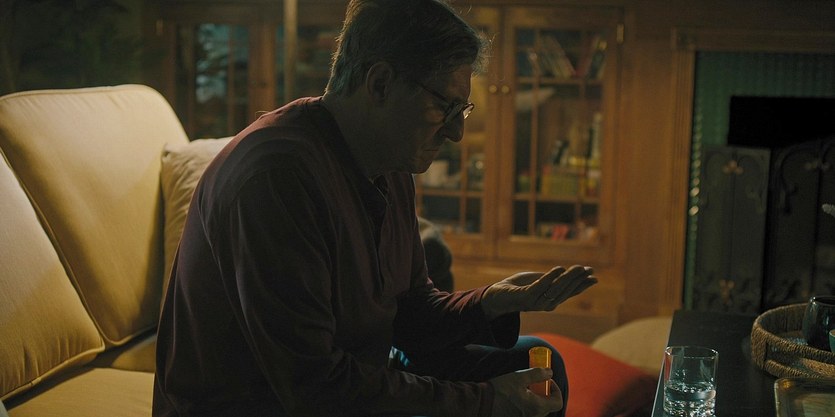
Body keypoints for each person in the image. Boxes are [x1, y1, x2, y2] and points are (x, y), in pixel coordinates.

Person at [152, 0, 598, 416]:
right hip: (261, 403)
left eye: (461, 110)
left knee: (537, 365)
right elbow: (313, 387)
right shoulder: (277, 177)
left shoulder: (389, 162)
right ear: (380, 83)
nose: (456, 133)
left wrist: (490, 303)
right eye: (444, 107)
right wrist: (484, 401)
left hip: (347, 374)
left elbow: (411, 313)